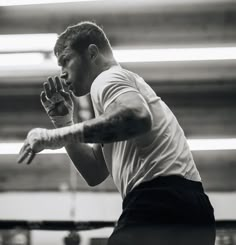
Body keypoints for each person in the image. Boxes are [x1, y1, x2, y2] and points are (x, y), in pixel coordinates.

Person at [18, 21, 215, 245]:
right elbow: (95, 172)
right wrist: (63, 123)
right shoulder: (119, 99)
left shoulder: (107, 78)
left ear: (92, 53)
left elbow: (137, 116)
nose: (62, 74)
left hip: (160, 202)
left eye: (66, 61)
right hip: (191, 209)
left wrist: (52, 137)